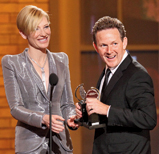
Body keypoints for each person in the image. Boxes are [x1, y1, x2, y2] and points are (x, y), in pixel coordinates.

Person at [1, 5, 78, 154]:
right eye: (36, 29)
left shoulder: (61, 60)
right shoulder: (12, 63)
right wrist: (43, 119)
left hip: (60, 144)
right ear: (23, 33)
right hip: (30, 145)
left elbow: (66, 104)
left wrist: (72, 117)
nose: (43, 33)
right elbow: (15, 108)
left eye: (46, 27)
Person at [76, 16, 157, 154]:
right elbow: (109, 114)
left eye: (114, 43)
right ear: (96, 47)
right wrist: (83, 117)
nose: (109, 50)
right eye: (103, 45)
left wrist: (106, 109)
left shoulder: (137, 75)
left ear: (124, 42)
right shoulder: (108, 71)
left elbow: (148, 118)